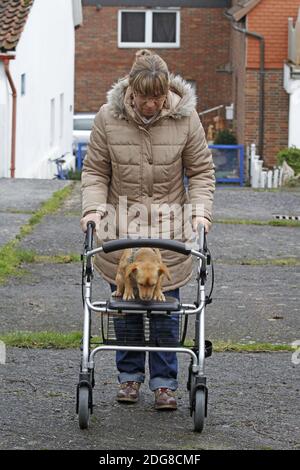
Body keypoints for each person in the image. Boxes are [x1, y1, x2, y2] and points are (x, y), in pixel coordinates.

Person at [80, 49, 215, 410]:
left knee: (166, 312)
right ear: (131, 91)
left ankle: (164, 384)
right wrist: (92, 210)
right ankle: (129, 380)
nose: (151, 104)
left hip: (169, 231)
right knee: (125, 308)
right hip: (119, 229)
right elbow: (95, 171)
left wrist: (200, 214)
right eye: (144, 97)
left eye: (158, 97)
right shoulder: (108, 118)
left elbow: (201, 172)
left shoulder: (186, 120)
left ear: (167, 91)